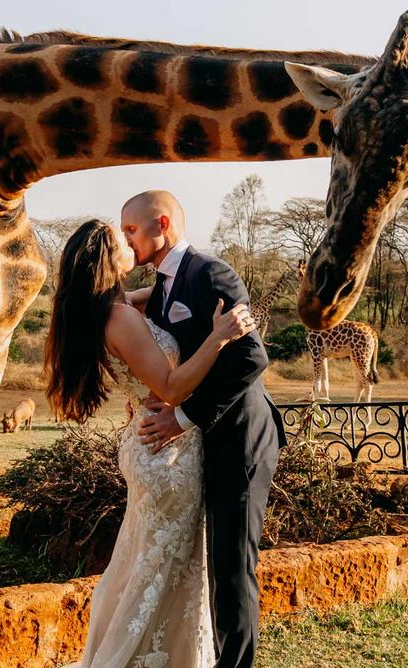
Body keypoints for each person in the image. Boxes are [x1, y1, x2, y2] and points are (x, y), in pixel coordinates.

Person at [46, 218, 256, 667]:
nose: (130, 242)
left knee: (144, 568)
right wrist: (219, 337)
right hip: (166, 451)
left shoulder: (107, 309)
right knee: (162, 574)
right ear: (108, 258)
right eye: (121, 239)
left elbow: (148, 304)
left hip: (148, 444)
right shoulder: (120, 319)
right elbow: (173, 385)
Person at [122, 190, 285, 668]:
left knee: (233, 569)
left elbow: (253, 357)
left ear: (162, 224)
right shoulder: (165, 284)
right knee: (212, 565)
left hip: (241, 436)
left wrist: (181, 416)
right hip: (205, 443)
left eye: (131, 229)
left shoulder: (209, 272)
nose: (126, 239)